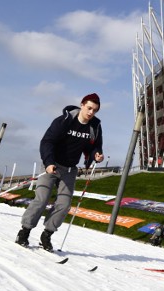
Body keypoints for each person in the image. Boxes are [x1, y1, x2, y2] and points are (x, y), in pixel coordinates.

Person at [15, 93, 104, 251]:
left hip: (70, 170)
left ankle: (47, 235)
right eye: (89, 108)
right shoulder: (65, 120)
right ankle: (24, 232)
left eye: (95, 110)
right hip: (52, 166)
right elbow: (47, 141)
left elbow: (93, 146)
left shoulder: (94, 126)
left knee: (64, 205)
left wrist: (96, 154)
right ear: (82, 105)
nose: (91, 112)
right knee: (41, 199)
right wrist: (49, 162)